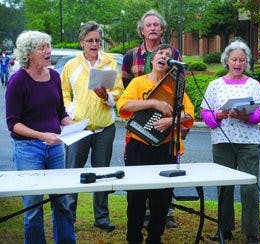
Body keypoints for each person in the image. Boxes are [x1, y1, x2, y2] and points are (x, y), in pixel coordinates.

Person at [116, 43, 194, 244]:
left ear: (171, 64)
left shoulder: (176, 87)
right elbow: (123, 105)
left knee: (162, 196)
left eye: (168, 55)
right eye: (160, 53)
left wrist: (171, 120)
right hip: (138, 146)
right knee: (136, 196)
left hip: (165, 147)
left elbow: (189, 113)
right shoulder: (138, 83)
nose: (164, 56)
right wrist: (153, 103)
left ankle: (154, 237)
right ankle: (133, 237)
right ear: (152, 59)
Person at [5, 30, 76, 243]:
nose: (48, 51)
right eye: (42, 47)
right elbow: (13, 124)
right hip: (28, 149)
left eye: (49, 46)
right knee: (33, 207)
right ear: (29, 53)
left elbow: (61, 113)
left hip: (55, 148)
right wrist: (42, 136)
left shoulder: (54, 76)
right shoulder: (18, 81)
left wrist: (76, 127)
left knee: (61, 202)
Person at [200, 39, 260, 243]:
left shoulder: (253, 84)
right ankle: (224, 228)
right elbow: (205, 113)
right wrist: (219, 115)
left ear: (246, 63)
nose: (238, 63)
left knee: (249, 187)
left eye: (242, 60)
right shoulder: (215, 85)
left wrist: (245, 116)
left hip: (248, 142)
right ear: (226, 61)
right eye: (234, 59)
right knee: (224, 187)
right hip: (222, 142)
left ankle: (252, 232)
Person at [61, 21, 124, 232]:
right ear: (82, 43)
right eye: (90, 40)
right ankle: (69, 216)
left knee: (102, 173)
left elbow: (119, 90)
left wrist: (107, 96)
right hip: (78, 128)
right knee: (73, 173)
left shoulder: (109, 62)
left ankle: (102, 217)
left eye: (97, 40)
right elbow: (63, 92)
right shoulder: (71, 65)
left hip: (104, 127)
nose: (95, 44)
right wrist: (71, 111)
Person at [121, 9, 181, 229]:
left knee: (164, 182)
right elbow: (126, 87)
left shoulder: (173, 52)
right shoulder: (130, 55)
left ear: (162, 29)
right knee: (138, 184)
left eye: (157, 25)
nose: (153, 28)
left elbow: (178, 88)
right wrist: (146, 104)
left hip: (166, 125)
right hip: (139, 123)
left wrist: (178, 125)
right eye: (149, 25)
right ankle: (138, 225)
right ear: (142, 30)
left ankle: (165, 215)